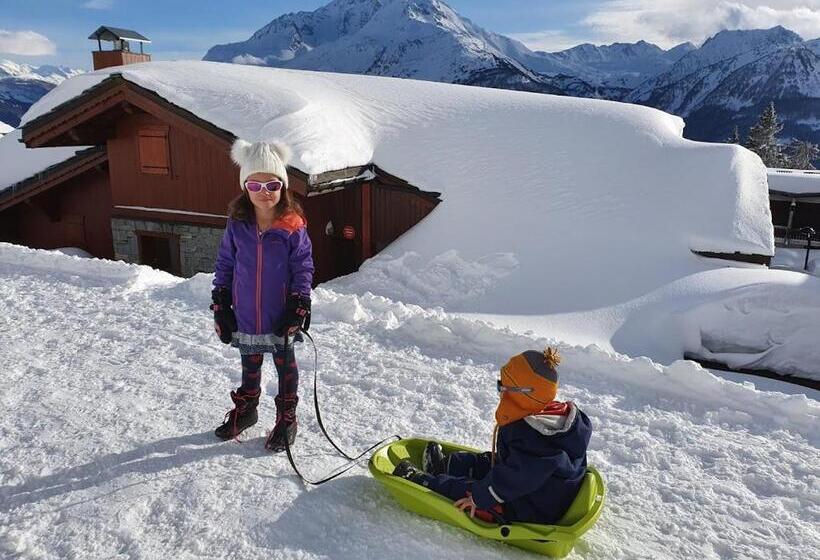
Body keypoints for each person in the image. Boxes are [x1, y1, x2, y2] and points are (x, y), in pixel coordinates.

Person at [392, 348, 592, 524]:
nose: (500, 392)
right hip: (542, 488)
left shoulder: (539, 441)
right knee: (488, 462)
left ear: (524, 393)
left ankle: (423, 482)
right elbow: (519, 466)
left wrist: (480, 498)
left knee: (470, 492)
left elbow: (518, 477)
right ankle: (446, 466)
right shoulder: (549, 415)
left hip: (529, 506)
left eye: (503, 387)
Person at [210, 139, 314, 452]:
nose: (264, 191)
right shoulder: (237, 224)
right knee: (250, 364)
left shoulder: (292, 225)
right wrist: (221, 303)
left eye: (272, 183)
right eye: (255, 184)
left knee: (286, 368)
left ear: (282, 186)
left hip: (280, 314)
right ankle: (248, 411)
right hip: (245, 313)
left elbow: (303, 266)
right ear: (245, 187)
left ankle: (286, 418)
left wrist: (299, 303)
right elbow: (226, 262)